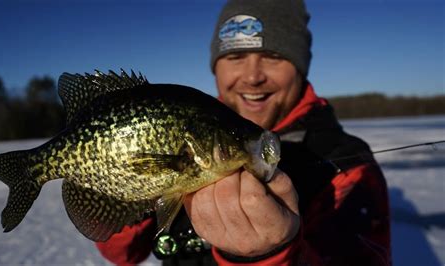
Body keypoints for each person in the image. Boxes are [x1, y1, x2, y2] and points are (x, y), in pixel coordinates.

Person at [96, 0, 391, 265]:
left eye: (273, 55)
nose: (252, 77)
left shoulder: (347, 166)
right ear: (216, 67)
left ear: (301, 67)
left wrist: (274, 257)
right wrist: (126, 187)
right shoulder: (177, 128)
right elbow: (123, 254)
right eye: (236, 57)